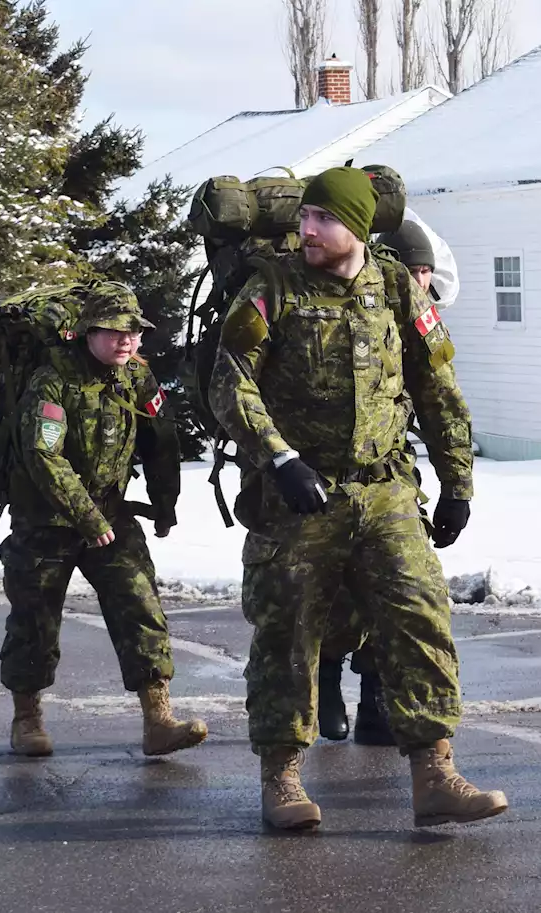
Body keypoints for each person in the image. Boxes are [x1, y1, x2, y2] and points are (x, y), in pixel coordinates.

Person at [209, 167, 508, 831]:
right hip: (298, 495)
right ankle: (281, 776)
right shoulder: (272, 288)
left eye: (323, 219)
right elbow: (230, 383)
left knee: (420, 612)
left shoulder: (398, 287)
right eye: (305, 216)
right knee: (287, 629)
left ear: (360, 229)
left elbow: (438, 387)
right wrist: (278, 457)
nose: (307, 230)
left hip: (385, 485)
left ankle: (435, 771)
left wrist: (457, 481)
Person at [0, 282, 208, 759]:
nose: (127, 341)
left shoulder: (138, 377)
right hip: (45, 520)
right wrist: (87, 519)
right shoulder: (52, 381)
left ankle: (158, 721)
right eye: (115, 332)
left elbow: (162, 438)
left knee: (140, 604)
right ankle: (26, 718)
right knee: (35, 618)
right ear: (87, 332)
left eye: (134, 331)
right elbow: (43, 456)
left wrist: (165, 501)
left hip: (111, 512)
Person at [315, 218, 441, 748]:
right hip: (323, 480)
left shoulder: (416, 315)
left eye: (426, 271)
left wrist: (457, 483)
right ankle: (323, 681)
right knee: (337, 595)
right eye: (411, 269)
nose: (419, 280)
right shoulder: (349, 308)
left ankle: (374, 700)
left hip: (392, 474)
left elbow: (438, 394)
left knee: (390, 597)